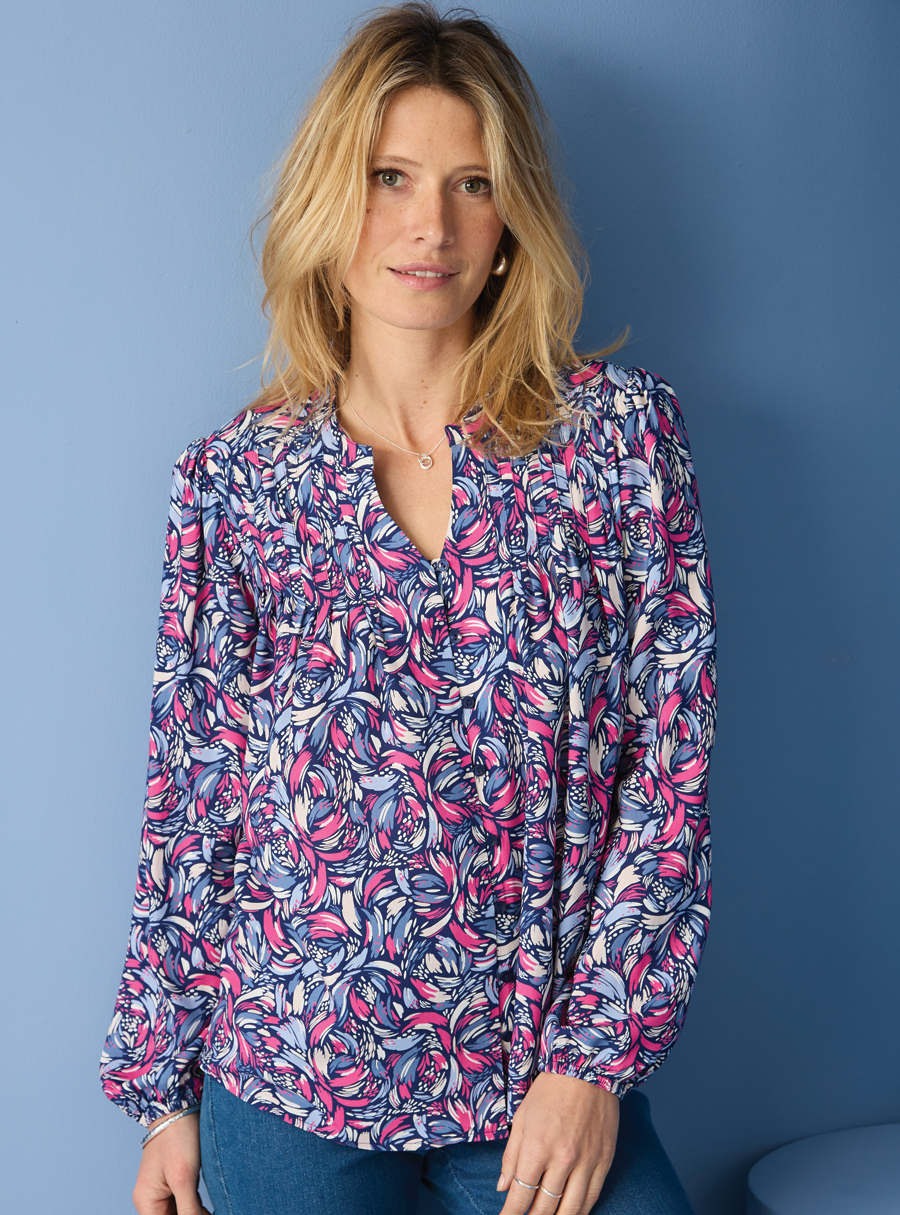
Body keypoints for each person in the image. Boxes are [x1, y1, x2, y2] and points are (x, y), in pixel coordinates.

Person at [100, 4, 717, 1213]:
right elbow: (193, 803)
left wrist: (595, 1063)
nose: (430, 224)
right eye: (391, 177)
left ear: (511, 222)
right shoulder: (235, 483)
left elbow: (671, 774)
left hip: (537, 1089)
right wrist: (163, 1095)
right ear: (332, 201)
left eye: (471, 184)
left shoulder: (620, 447)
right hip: (285, 1084)